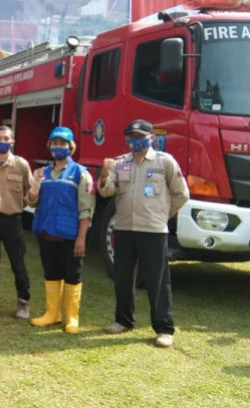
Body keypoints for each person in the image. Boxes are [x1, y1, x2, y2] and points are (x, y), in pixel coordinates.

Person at [98, 119, 189, 348]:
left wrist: (162, 215)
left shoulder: (164, 162)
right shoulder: (119, 164)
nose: (135, 141)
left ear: (151, 139)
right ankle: (123, 321)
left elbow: (182, 194)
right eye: (131, 137)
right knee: (123, 278)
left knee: (157, 281)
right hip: (125, 229)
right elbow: (107, 191)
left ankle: (164, 329)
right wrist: (103, 175)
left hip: (153, 231)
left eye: (140, 137)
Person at [27, 127, 95, 334]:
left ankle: (72, 318)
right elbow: (31, 201)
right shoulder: (43, 173)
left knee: (73, 276)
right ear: (49, 146)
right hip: (46, 233)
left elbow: (86, 209)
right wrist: (35, 183)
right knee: (51, 274)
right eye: (54, 143)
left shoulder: (81, 173)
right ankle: (52, 314)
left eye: (62, 144)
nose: (58, 147)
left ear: (70, 147)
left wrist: (81, 238)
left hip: (70, 235)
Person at [0, 125, 33, 318]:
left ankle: (23, 302)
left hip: (13, 221)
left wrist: (30, 199)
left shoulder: (21, 165)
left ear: (12, 142)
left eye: (7, 139)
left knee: (18, 264)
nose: (3, 142)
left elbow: (30, 192)